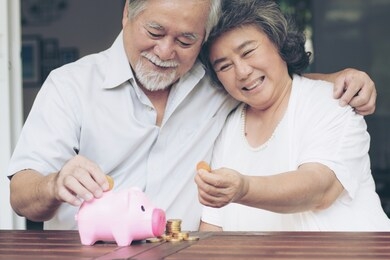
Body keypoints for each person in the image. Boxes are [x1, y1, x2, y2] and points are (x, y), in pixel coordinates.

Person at [7, 0, 377, 231]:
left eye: (186, 40)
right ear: (126, 13)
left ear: (201, 39)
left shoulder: (213, 82)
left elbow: (269, 81)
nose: (166, 51)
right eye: (154, 31)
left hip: (182, 248)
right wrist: (55, 183)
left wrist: (335, 81)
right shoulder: (69, 85)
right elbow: (22, 197)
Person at [195, 0, 390, 232]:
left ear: (279, 44)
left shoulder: (332, 102)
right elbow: (212, 226)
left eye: (248, 52)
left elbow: (320, 189)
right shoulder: (227, 126)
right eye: (224, 66)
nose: (243, 72)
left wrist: (244, 188)